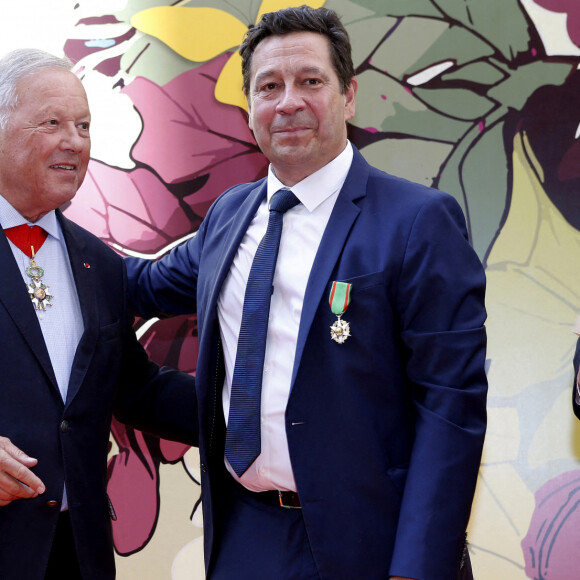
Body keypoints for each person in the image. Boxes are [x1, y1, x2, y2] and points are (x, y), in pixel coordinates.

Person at [127, 6, 488, 580]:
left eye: (310, 82)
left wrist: (415, 569)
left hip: (373, 544)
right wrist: (32, 246)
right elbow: (135, 286)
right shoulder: (229, 216)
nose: (288, 102)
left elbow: (451, 407)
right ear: (249, 108)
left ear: (348, 96)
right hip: (245, 536)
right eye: (268, 86)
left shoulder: (419, 222)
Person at [0, 48, 197, 580]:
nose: (74, 141)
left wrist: (253, 407)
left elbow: (136, 390)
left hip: (76, 553)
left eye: (84, 126)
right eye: (53, 122)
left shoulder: (101, 264)